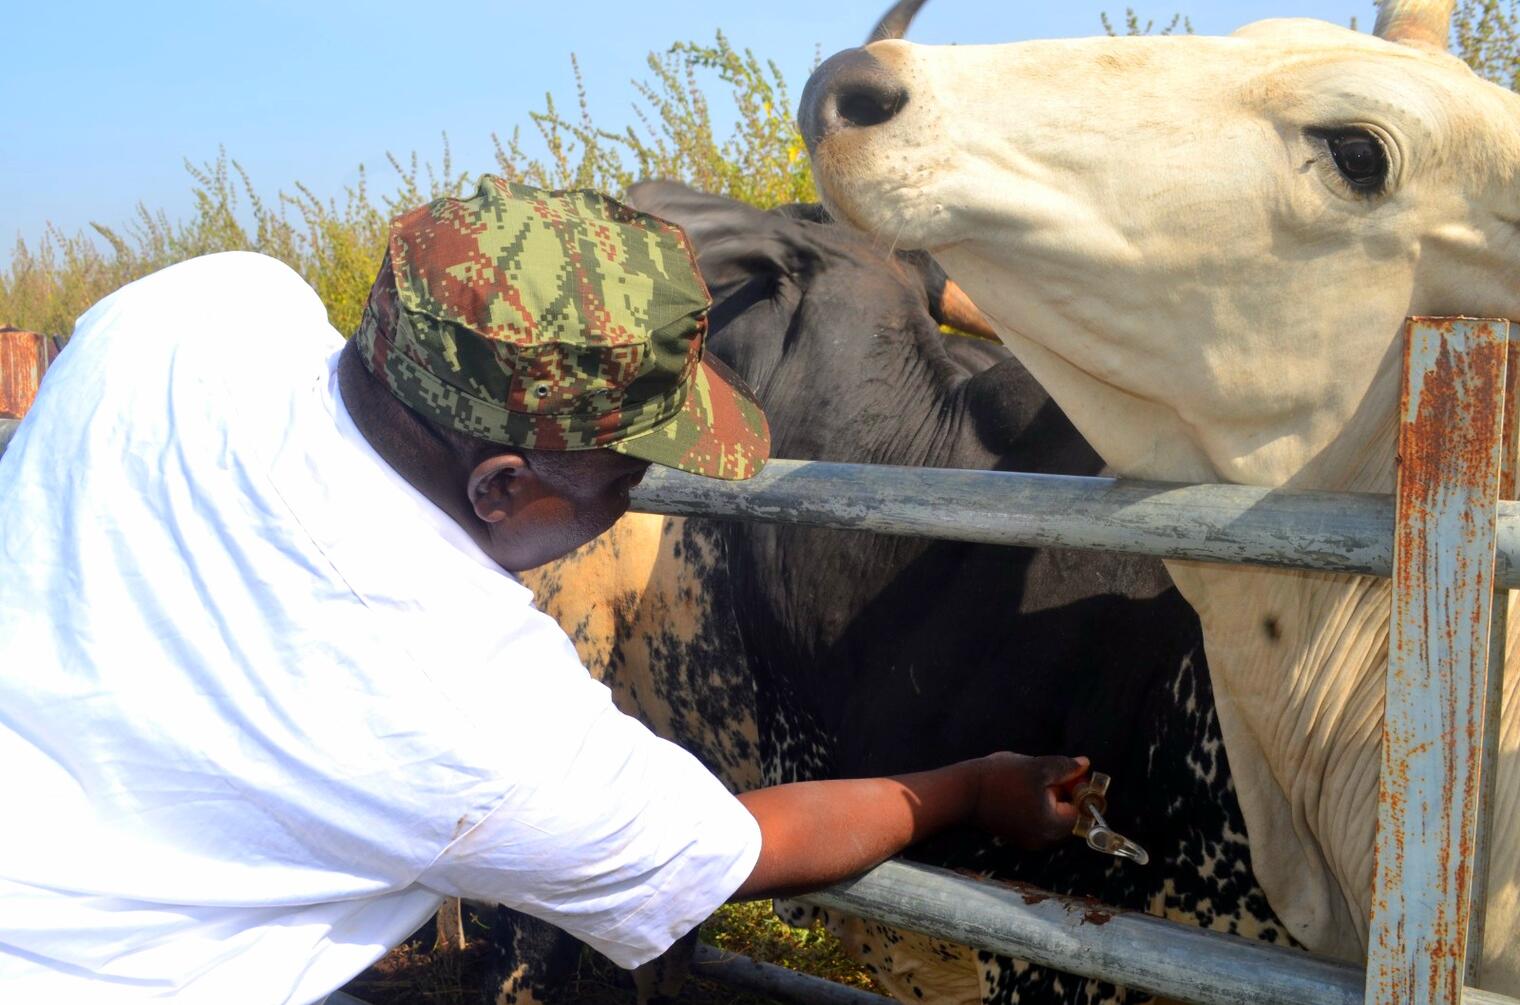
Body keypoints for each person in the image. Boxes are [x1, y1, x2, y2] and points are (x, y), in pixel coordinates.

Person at [0, 176, 1088, 1003]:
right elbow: (736, 851)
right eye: (626, 475)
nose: (637, 497)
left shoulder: (198, 311)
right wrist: (957, 790)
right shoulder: (461, 712)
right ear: (503, 485)